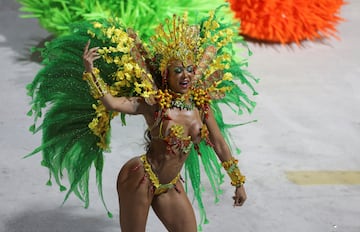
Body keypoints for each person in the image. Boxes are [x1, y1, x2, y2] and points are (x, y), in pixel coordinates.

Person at [27, 8, 257, 232]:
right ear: (166, 75)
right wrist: (91, 71)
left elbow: (219, 144)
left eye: (189, 69)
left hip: (170, 185)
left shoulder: (202, 105)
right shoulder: (155, 104)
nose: (185, 75)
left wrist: (238, 182)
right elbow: (113, 103)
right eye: (178, 70)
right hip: (141, 178)